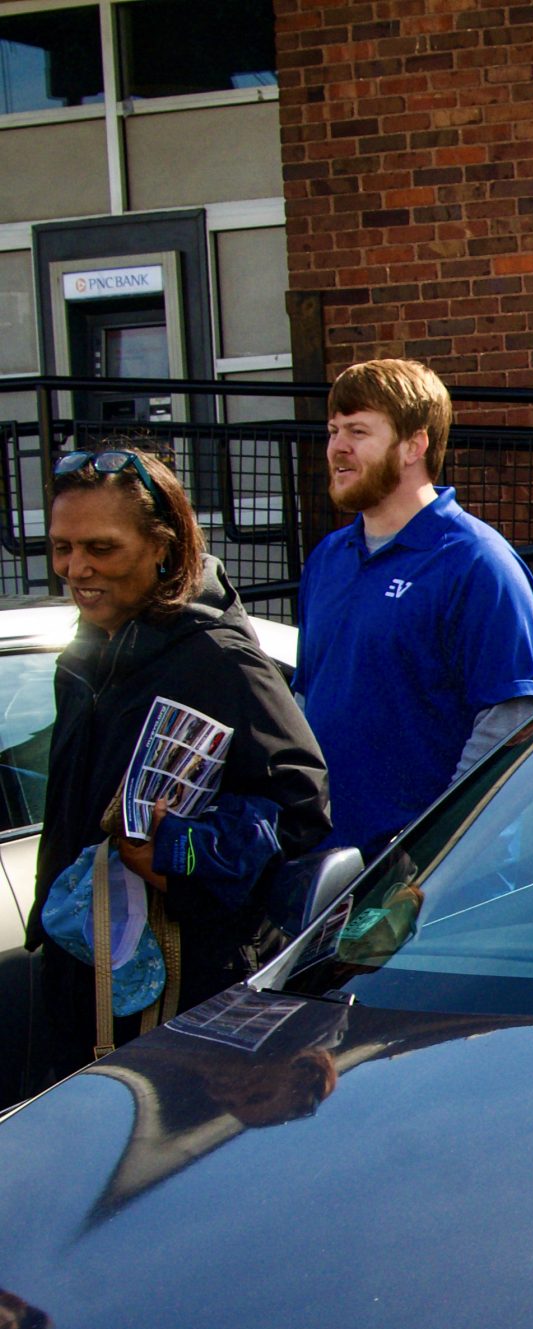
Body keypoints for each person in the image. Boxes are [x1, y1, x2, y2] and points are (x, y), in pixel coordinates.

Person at [28, 449, 329, 1088]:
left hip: (192, 1005)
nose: (76, 568)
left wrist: (178, 851)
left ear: (162, 547)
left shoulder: (218, 658)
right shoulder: (85, 653)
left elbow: (302, 809)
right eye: (61, 548)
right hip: (85, 983)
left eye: (101, 548)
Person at [294, 358, 533, 859]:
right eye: (333, 431)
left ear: (414, 445)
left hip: (436, 878)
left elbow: (508, 722)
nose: (337, 447)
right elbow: (305, 702)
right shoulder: (327, 558)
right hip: (327, 866)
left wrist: (431, 847)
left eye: (358, 431)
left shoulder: (477, 563)